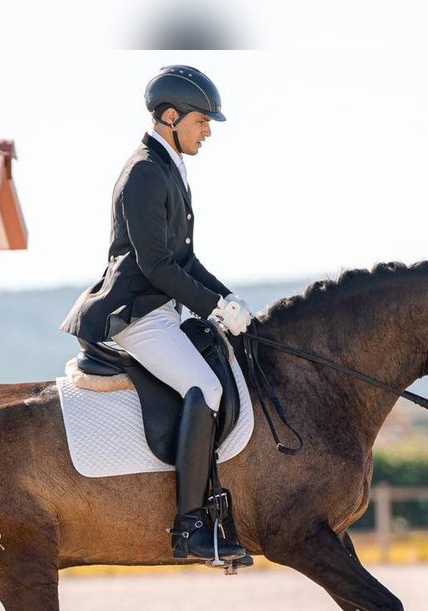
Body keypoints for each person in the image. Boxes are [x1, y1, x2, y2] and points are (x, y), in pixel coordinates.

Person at [59, 64, 253, 562]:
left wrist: (229, 301)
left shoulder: (170, 166)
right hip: (135, 315)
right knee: (205, 389)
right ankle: (191, 527)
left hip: (161, 308)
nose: (208, 130)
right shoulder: (145, 171)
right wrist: (211, 306)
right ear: (170, 116)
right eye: (202, 121)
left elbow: (185, 260)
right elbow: (156, 264)